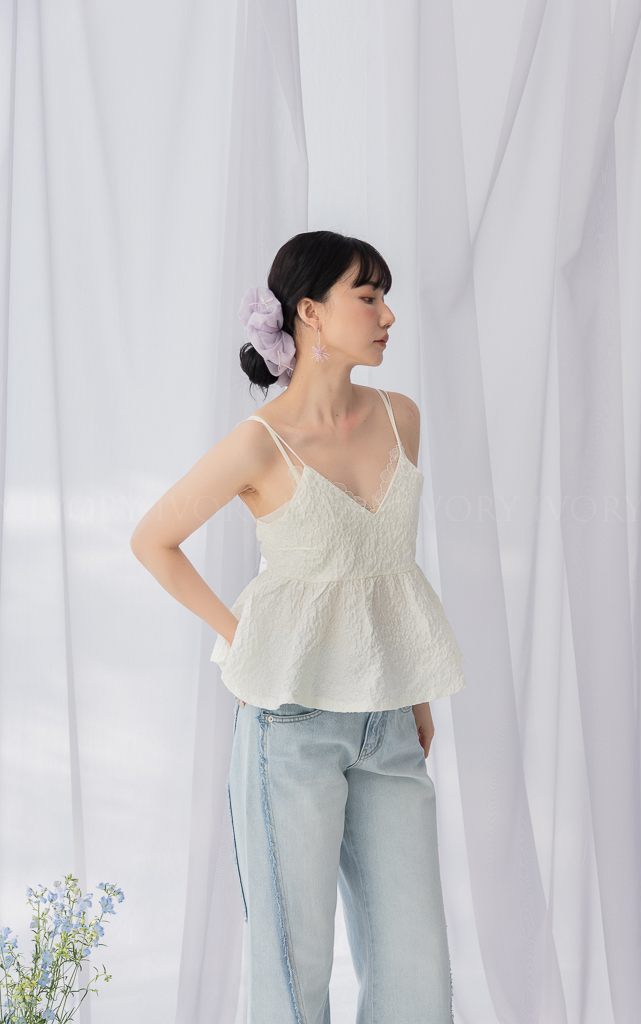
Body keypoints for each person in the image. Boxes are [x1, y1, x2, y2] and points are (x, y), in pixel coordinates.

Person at [131, 230, 466, 1024]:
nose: (387, 316)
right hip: (290, 722)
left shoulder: (400, 417)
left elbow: (388, 573)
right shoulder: (261, 442)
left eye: (385, 298)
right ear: (310, 312)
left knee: (416, 966)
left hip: (389, 718)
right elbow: (153, 540)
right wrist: (242, 641)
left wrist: (414, 693)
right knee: (292, 965)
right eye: (368, 297)